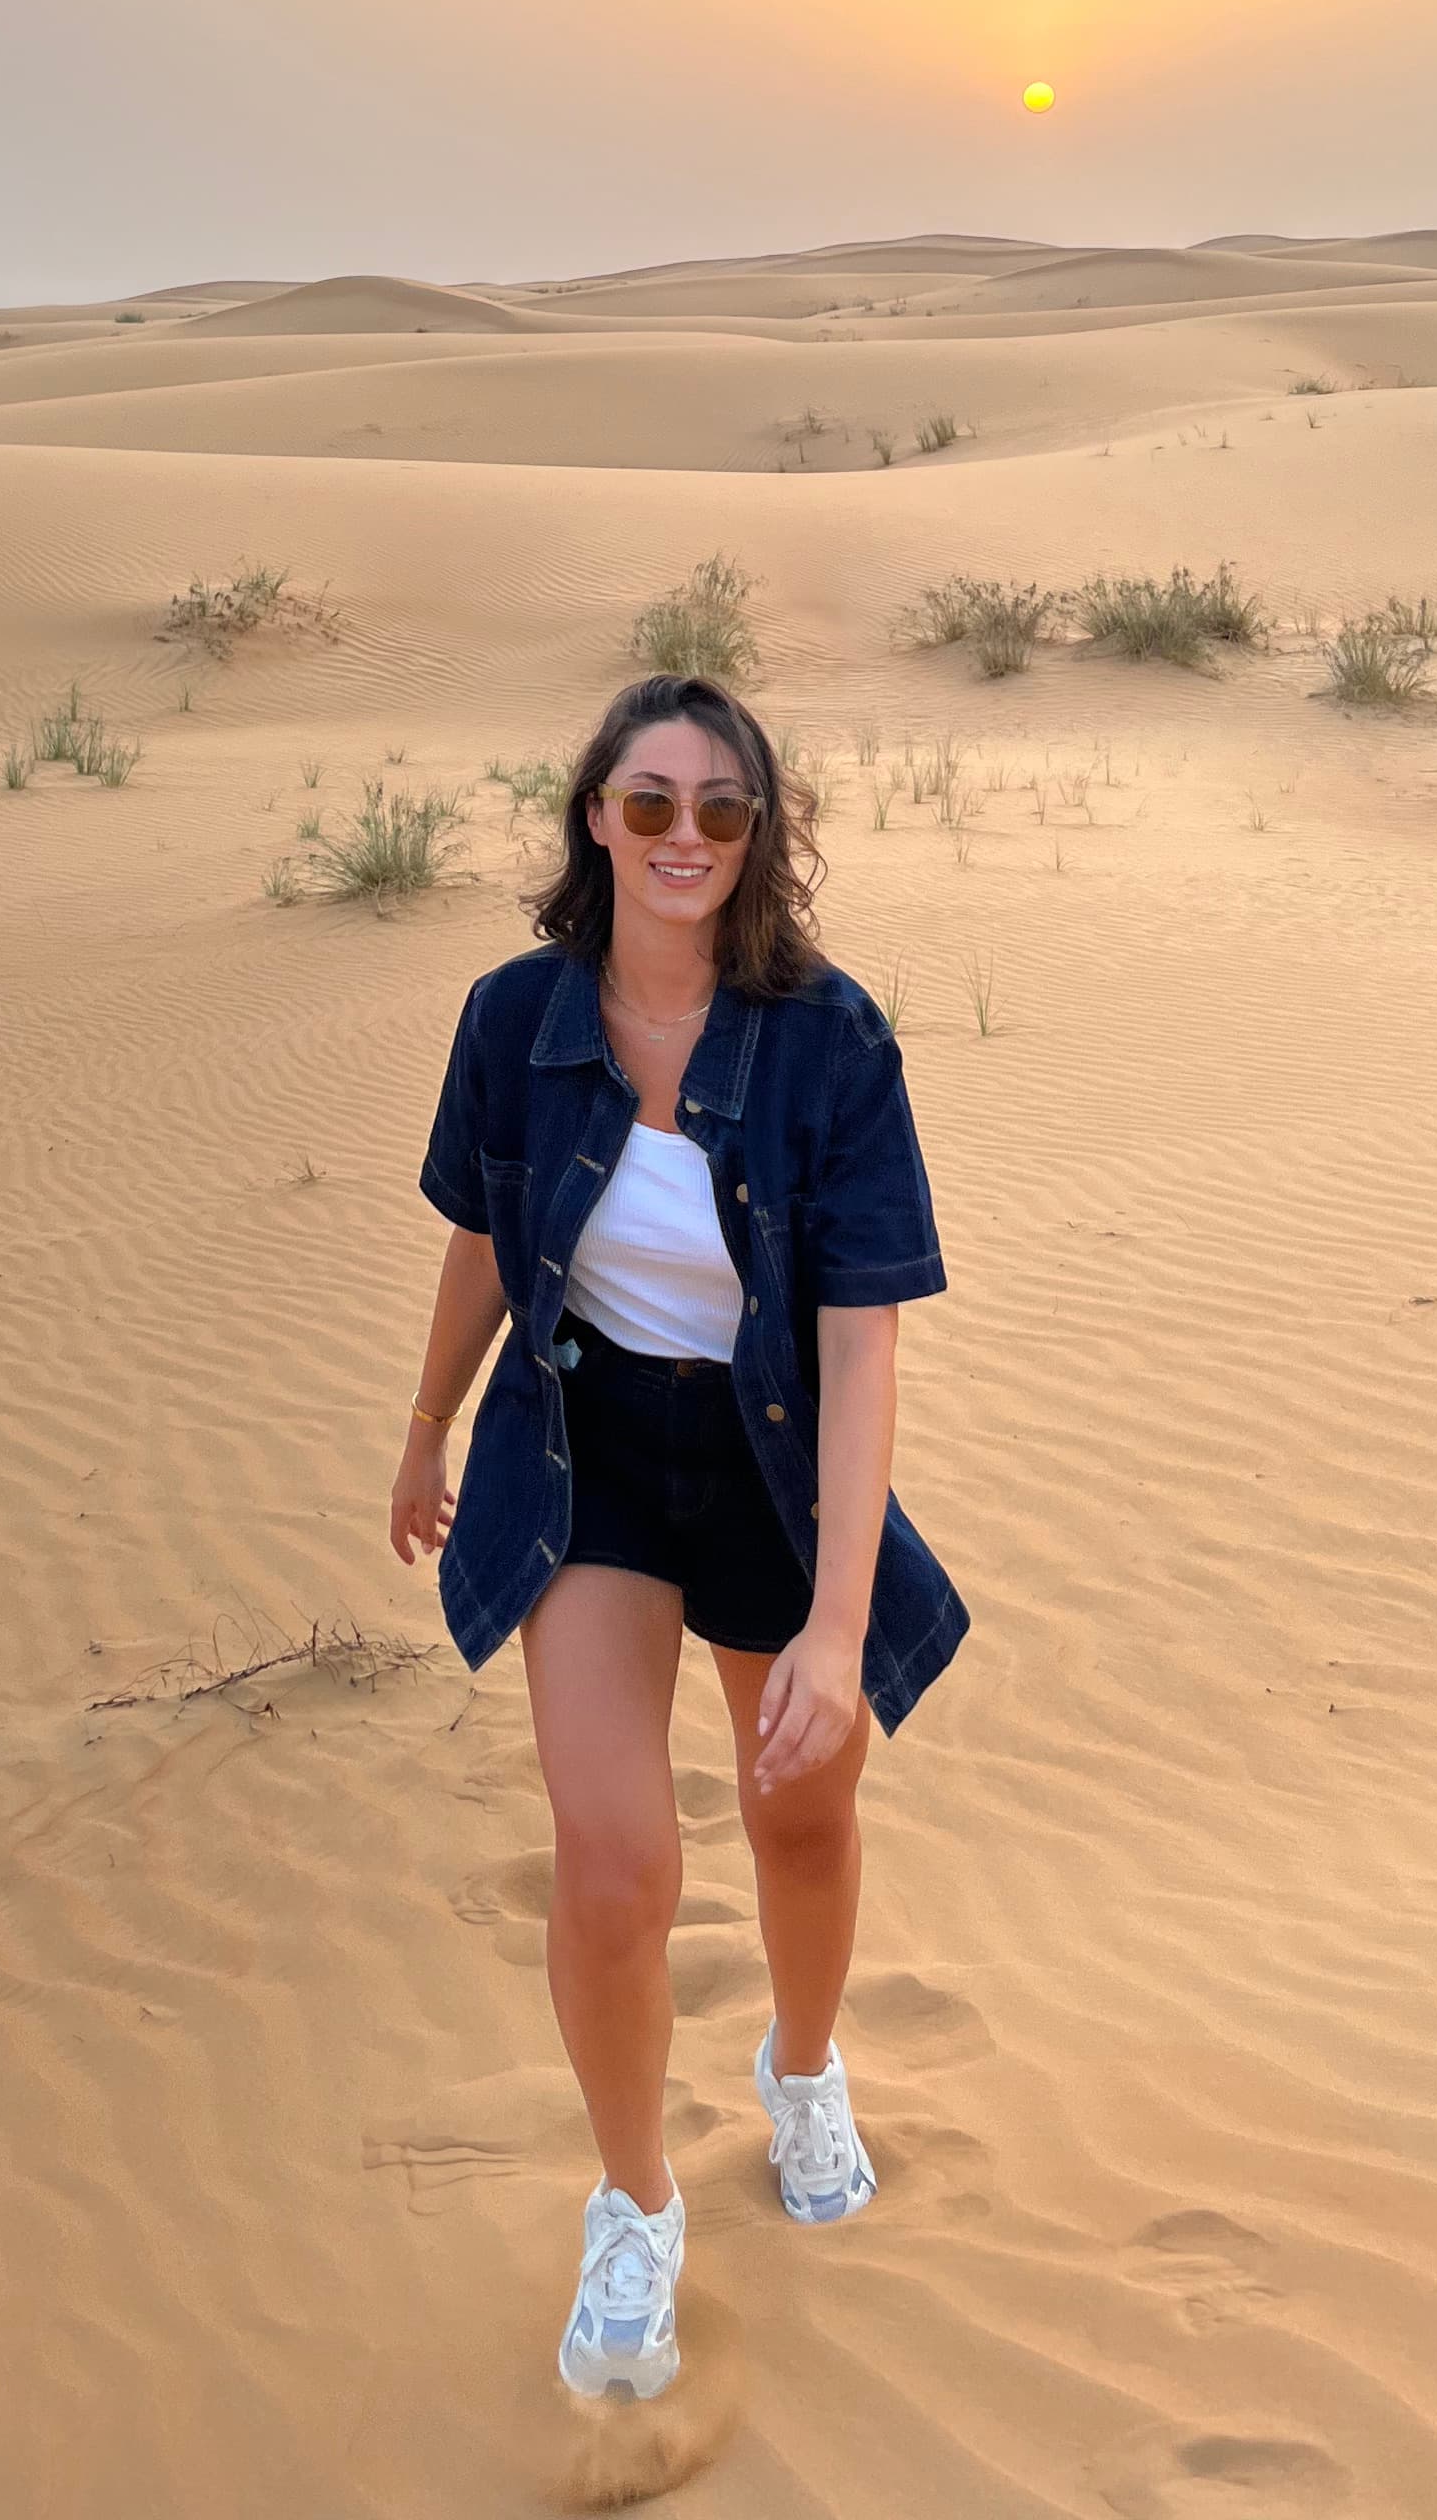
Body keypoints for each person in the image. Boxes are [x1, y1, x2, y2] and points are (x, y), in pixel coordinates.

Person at [388, 670, 967, 2403]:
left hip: (777, 1462)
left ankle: (801, 2070)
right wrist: (425, 1424)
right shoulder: (515, 1021)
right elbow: (487, 1241)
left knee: (801, 1811)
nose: (685, 839)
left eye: (722, 809)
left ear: (758, 834)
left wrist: (841, 1625)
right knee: (617, 1862)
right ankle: (635, 2204)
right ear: (596, 819)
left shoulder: (831, 1042)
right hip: (588, 1454)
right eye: (651, 805)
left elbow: (861, 1336)